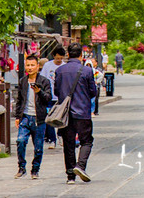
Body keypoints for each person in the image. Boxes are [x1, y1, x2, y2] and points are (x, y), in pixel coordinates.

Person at [54, 43, 99, 183]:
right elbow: (93, 92)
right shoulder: (86, 71)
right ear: (81, 55)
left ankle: (70, 176)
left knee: (68, 143)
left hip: (65, 113)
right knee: (87, 140)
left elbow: (56, 91)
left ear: (68, 55)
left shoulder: (60, 70)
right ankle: (80, 165)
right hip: (83, 112)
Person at [14, 55, 53, 180]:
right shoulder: (23, 81)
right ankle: (21, 167)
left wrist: (39, 92)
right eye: (28, 65)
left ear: (37, 66)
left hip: (39, 118)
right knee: (20, 141)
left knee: (38, 147)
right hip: (25, 117)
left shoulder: (44, 81)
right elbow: (19, 100)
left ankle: (35, 169)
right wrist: (17, 116)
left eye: (32, 65)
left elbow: (48, 98)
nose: (30, 68)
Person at [42, 46, 65, 150]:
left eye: (61, 58)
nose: (59, 60)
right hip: (49, 97)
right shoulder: (47, 66)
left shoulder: (65, 66)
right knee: (49, 118)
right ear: (54, 56)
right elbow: (43, 79)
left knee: (61, 118)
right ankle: (52, 140)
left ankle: (60, 135)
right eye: (57, 58)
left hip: (61, 97)